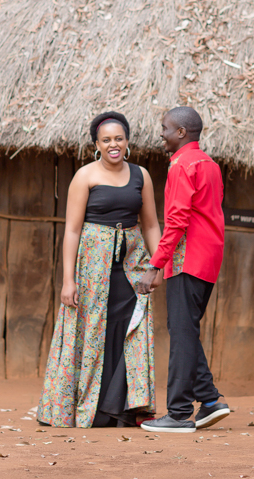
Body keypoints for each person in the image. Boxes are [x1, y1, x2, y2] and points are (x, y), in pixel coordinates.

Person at [38, 111, 162, 427]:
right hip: (93, 271)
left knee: (128, 333)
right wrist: (68, 280)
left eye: (118, 138)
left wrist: (158, 264)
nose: (113, 145)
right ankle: (85, 409)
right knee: (92, 333)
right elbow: (72, 231)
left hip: (132, 270)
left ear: (127, 141)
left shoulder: (141, 175)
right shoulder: (85, 176)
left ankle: (120, 408)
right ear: (97, 144)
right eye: (106, 140)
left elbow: (149, 224)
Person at [136, 106, 230, 434]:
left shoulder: (181, 166)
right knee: (184, 329)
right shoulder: (210, 165)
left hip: (186, 260)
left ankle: (177, 413)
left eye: (165, 127)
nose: (160, 133)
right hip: (208, 260)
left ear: (180, 133)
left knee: (182, 332)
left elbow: (176, 221)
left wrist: (154, 266)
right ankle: (209, 401)